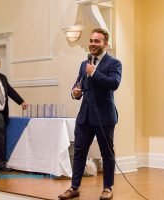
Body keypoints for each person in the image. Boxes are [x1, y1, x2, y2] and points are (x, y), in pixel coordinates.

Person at [58, 28, 122, 200]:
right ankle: (74, 187)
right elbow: (77, 84)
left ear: (105, 44)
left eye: (97, 41)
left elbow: (114, 84)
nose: (93, 44)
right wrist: (75, 93)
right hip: (84, 116)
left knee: (107, 153)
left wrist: (94, 72)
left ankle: (108, 187)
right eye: (91, 41)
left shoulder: (114, 63)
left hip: (104, 117)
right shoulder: (84, 64)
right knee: (79, 152)